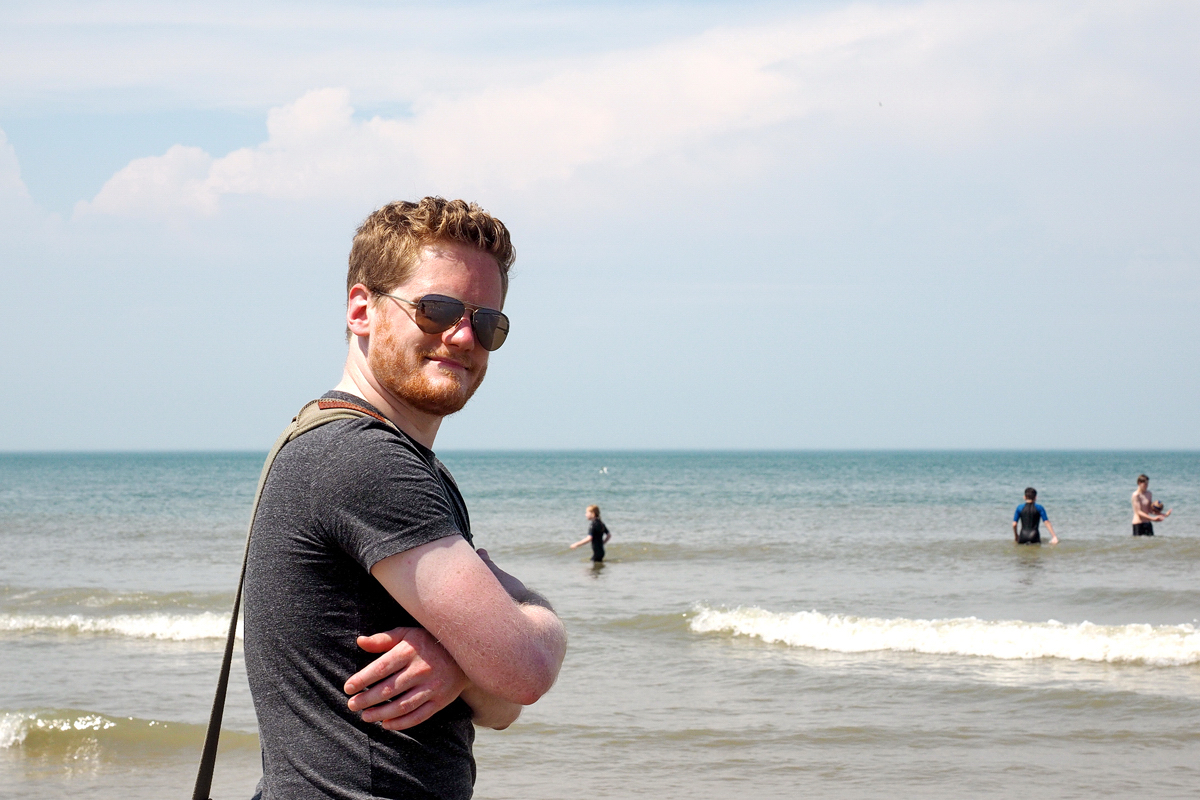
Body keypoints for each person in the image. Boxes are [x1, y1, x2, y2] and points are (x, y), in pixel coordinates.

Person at [243, 198, 568, 799]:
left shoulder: (348, 444)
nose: (464, 335)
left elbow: (498, 708)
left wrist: (459, 661)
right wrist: (530, 618)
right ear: (362, 310)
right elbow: (526, 671)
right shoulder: (366, 462)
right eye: (436, 308)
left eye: (488, 322)